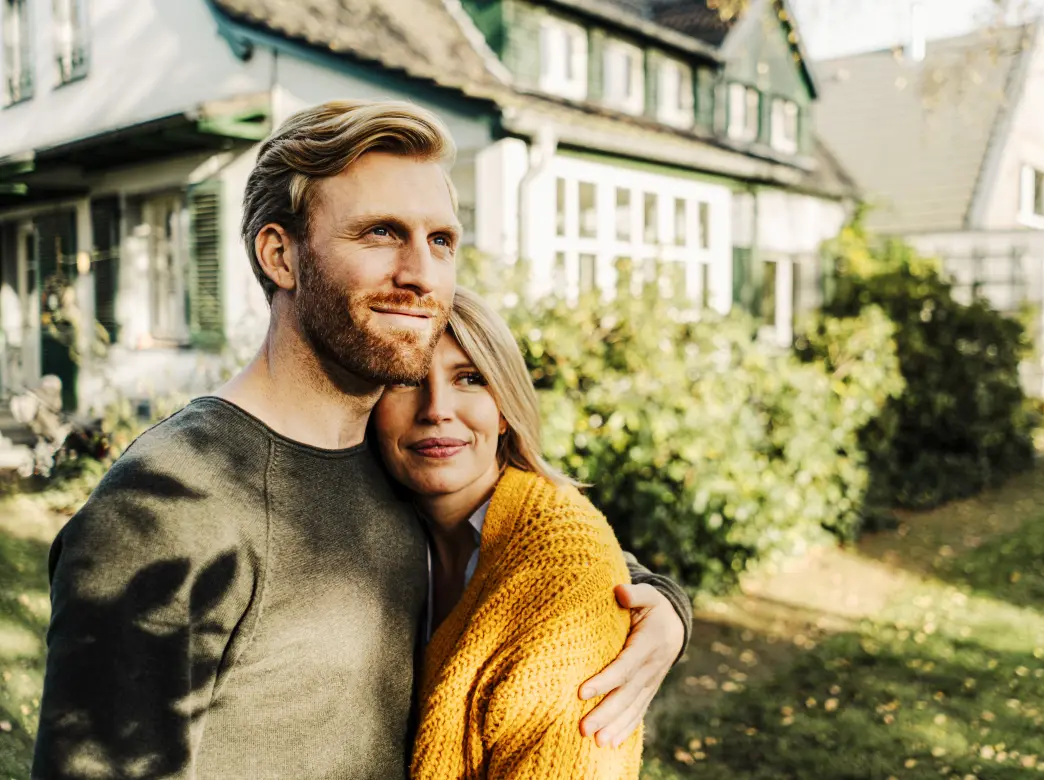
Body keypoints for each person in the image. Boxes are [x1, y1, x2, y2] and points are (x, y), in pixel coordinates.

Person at [32, 100, 691, 779]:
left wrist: (662, 605)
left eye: (440, 241)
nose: (421, 274)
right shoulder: (169, 508)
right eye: (381, 233)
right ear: (280, 254)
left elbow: (527, 554)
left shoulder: (391, 456)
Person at [374, 288, 643, 778]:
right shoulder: (376, 528)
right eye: (405, 381)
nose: (436, 408)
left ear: (503, 410)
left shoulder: (564, 562)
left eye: (469, 379)